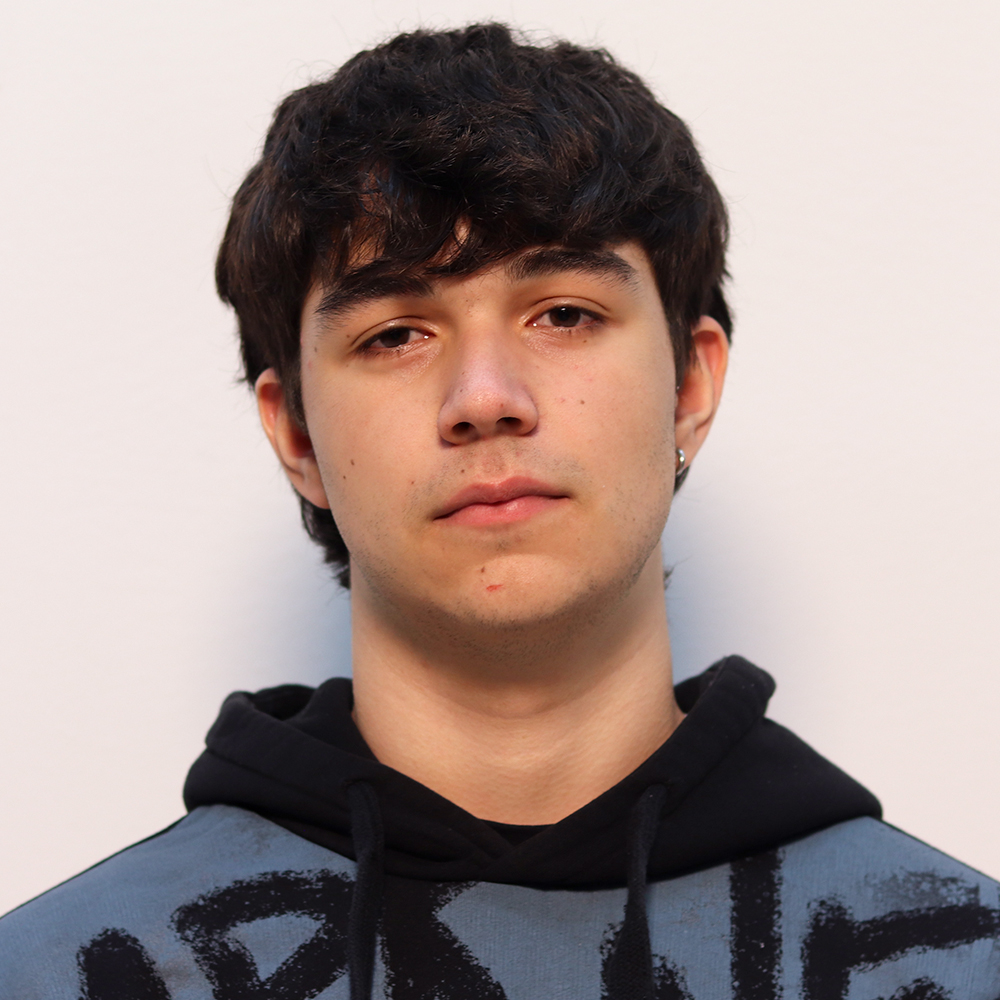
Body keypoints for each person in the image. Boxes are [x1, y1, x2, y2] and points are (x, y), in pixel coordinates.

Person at [1, 22, 997, 999]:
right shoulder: (54, 973)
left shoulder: (966, 964)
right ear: (296, 434)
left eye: (564, 313)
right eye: (395, 334)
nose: (484, 396)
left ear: (689, 387)